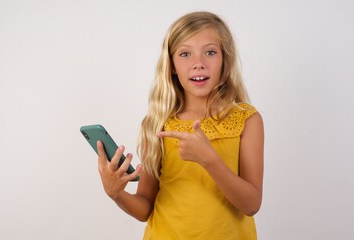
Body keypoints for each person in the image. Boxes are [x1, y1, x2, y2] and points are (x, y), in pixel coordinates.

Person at [97, 11, 264, 240]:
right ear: (172, 65)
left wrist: (209, 159)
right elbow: (145, 207)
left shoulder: (247, 120)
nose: (198, 64)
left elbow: (251, 204)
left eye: (210, 52)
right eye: (185, 54)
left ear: (225, 60)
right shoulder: (157, 124)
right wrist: (116, 194)